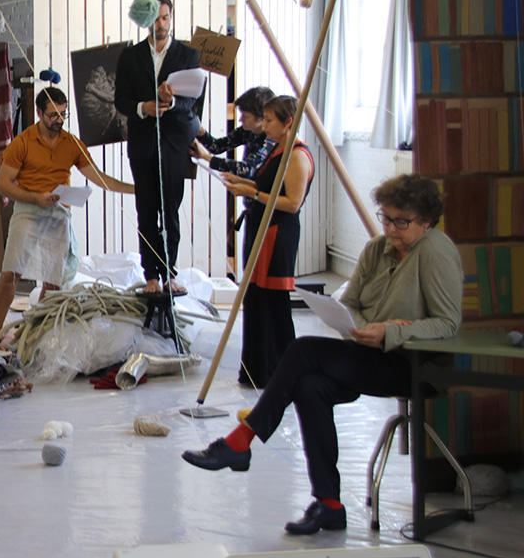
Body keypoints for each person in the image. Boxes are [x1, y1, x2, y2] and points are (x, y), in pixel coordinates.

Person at [181, 174, 462, 535]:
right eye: (386, 218)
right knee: (309, 387)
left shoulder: (436, 251)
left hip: (414, 365)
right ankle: (329, 504)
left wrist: (392, 332)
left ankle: (241, 441)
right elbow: (349, 302)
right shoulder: (377, 249)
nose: (390, 228)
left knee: (303, 349)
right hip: (371, 353)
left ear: (426, 221)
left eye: (401, 222)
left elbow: (447, 324)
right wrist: (366, 327)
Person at [0, 88, 134, 342]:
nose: (59, 120)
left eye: (63, 114)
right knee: (11, 272)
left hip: (58, 212)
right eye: (53, 115)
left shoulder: (71, 144)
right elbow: (2, 185)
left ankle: (32, 333)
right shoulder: (22, 143)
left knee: (53, 280)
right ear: (39, 112)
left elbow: (99, 178)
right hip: (28, 210)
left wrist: (136, 190)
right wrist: (35, 197)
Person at [222, 94, 315, 388]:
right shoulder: (276, 149)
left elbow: (291, 203)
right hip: (261, 228)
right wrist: (242, 183)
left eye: (271, 120)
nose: (265, 125)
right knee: (256, 299)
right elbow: (267, 185)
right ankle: (258, 372)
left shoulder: (297, 155)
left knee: (272, 302)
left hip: (277, 234)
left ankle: (281, 371)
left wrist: (251, 193)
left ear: (288, 123)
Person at [114, 0, 202, 293]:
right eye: (155, 19)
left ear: (171, 17)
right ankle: (151, 274)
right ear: (145, 20)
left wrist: (171, 101)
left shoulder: (188, 55)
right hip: (142, 146)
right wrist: (144, 107)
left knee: (171, 212)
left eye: (165, 17)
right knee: (146, 212)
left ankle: (169, 272)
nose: (161, 24)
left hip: (175, 144)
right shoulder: (129, 56)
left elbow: (192, 100)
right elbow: (121, 100)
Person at [190, 85, 275, 179]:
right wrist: (201, 131)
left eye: (245, 116)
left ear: (262, 117)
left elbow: (246, 169)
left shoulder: (270, 139)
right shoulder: (247, 131)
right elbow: (218, 146)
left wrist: (206, 157)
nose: (240, 119)